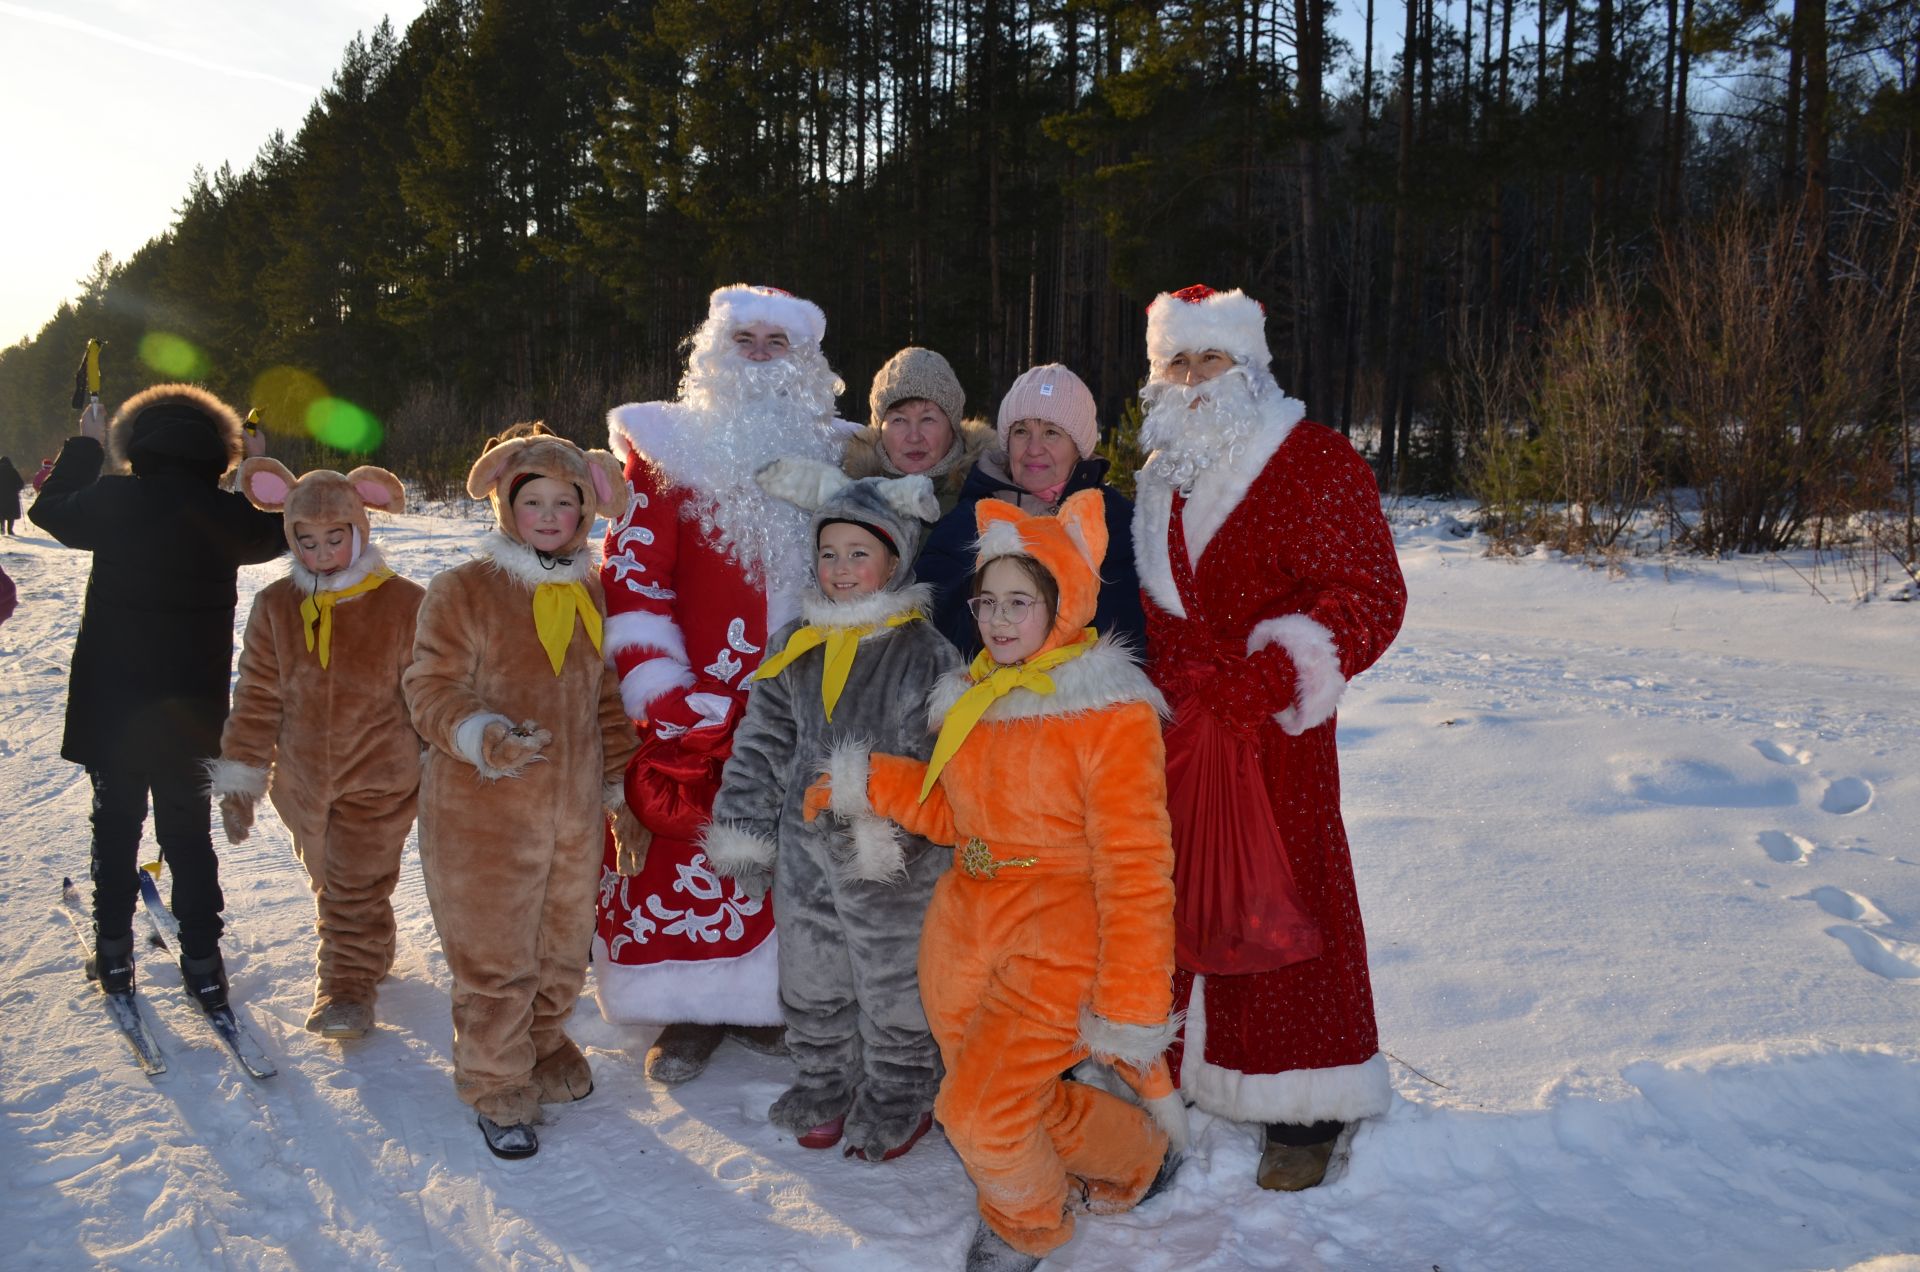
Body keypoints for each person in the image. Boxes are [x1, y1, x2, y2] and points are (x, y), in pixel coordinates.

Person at [805, 491, 1185, 1272]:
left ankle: (1027, 1224)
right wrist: (867, 782)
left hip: (1056, 933)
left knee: (976, 1112)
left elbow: (1137, 864)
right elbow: (955, 815)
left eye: (1021, 603)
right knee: (1009, 1096)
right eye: (987, 603)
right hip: (965, 928)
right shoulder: (978, 695)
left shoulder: (1111, 714)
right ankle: (1135, 1153)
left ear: (1066, 603)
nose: (1000, 621)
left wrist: (1136, 995)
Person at [1130, 284, 1407, 1191]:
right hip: (1180, 726)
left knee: (1288, 896)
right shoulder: (1157, 471)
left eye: (1212, 359)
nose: (1195, 378)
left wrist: (1275, 675)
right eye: (1177, 361)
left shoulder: (1311, 458)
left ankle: (1305, 1104)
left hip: (1273, 731)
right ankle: (1193, 1073)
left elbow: (1368, 591)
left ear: (1250, 367)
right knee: (1178, 895)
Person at [597, 284, 851, 1084]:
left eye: (781, 344)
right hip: (704, 697)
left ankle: (775, 1000)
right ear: (714, 351)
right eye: (748, 341)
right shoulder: (668, 451)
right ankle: (690, 1009)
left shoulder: (839, 455)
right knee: (692, 848)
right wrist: (662, 688)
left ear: (806, 362)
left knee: (803, 846)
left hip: (809, 694)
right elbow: (635, 575)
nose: (763, 357)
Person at [702, 458, 959, 1162]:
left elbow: (946, 767)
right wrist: (747, 831)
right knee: (811, 973)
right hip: (807, 850)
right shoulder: (795, 644)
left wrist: (892, 821)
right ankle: (823, 1078)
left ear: (895, 562)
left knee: (890, 979)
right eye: (828, 554)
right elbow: (762, 742)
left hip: (892, 859)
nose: (841, 570)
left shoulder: (924, 653)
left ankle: (900, 1089)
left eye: (859, 555)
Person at [403, 427, 646, 1159]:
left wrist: (622, 791)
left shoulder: (591, 594)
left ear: (585, 512)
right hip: (482, 813)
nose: (547, 515)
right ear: (507, 503)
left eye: (562, 503)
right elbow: (428, 686)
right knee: (496, 956)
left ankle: (543, 1045)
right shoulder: (465, 589)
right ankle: (493, 1077)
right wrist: (480, 732)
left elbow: (606, 698)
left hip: (570, 818)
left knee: (562, 949)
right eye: (531, 500)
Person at [29, 385, 286, 1008]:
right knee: (186, 834)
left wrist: (85, 443)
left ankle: (113, 953)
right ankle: (203, 960)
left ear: (134, 446)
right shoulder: (225, 516)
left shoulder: (114, 498)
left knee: (115, 826)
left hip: (112, 710)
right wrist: (256, 464)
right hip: (191, 715)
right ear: (215, 452)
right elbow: (291, 529)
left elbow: (48, 510)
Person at [209, 459, 425, 1040]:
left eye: (335, 538)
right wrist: (242, 776)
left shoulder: (405, 602)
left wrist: (444, 760)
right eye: (306, 541)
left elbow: (430, 690)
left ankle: (346, 990)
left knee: (353, 886)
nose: (321, 552)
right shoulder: (276, 606)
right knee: (333, 881)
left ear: (360, 529)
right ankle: (370, 946)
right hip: (300, 785)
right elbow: (256, 695)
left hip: (381, 779)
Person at [917, 363, 1144, 659]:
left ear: (1079, 448)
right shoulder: (967, 520)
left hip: (1082, 698)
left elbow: (1128, 635)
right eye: (1021, 431)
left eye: (1051, 432)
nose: (1034, 448)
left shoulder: (1113, 522)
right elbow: (930, 625)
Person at [841, 346, 993, 518]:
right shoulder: (850, 501)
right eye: (899, 420)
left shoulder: (989, 501)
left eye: (928, 419)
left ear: (952, 428)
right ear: (880, 430)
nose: (914, 437)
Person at [0, 455, 26, 534]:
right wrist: (17, 489)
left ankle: (2, 527)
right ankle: (10, 530)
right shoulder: (13, 471)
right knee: (11, 513)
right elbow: (21, 483)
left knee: (1, 512)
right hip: (12, 496)